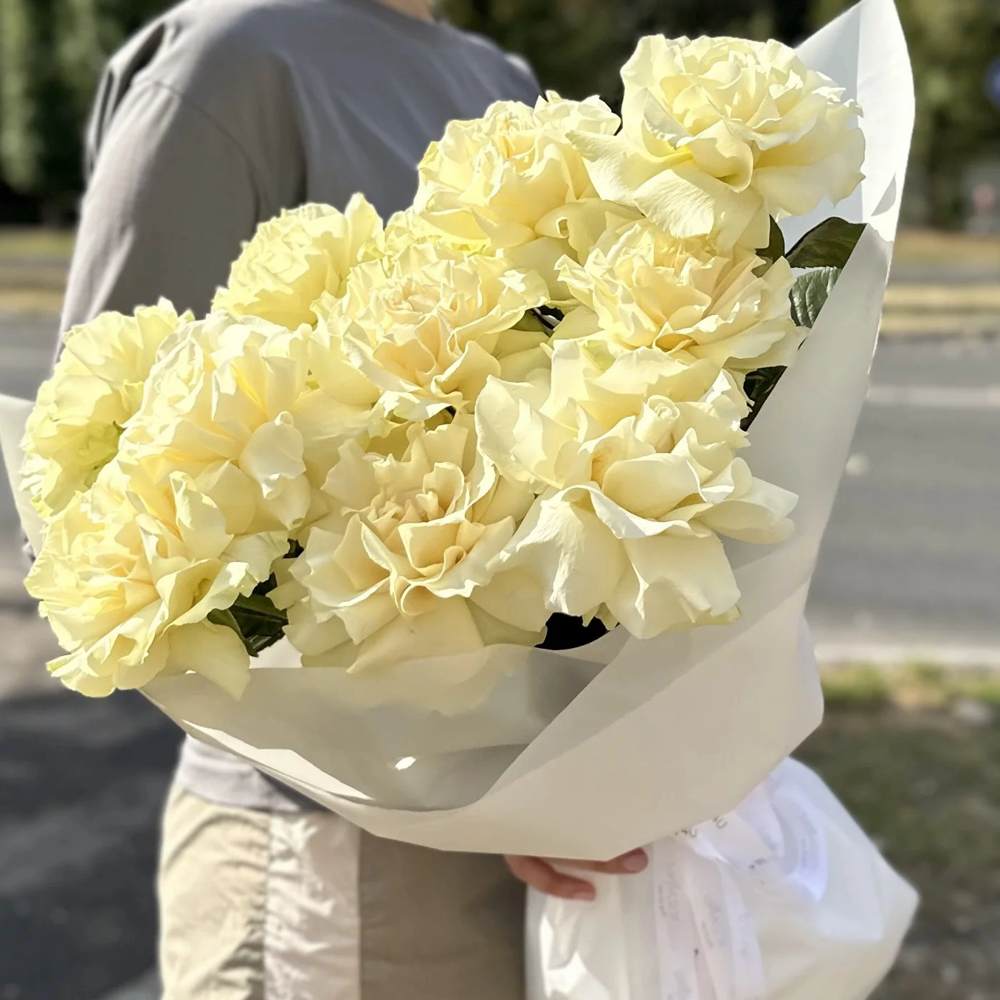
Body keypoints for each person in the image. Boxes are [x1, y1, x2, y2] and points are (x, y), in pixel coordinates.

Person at [61, 0, 647, 995]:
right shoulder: (230, 64)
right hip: (330, 871)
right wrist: (460, 784)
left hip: (516, 858)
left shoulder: (497, 79)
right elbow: (97, 505)